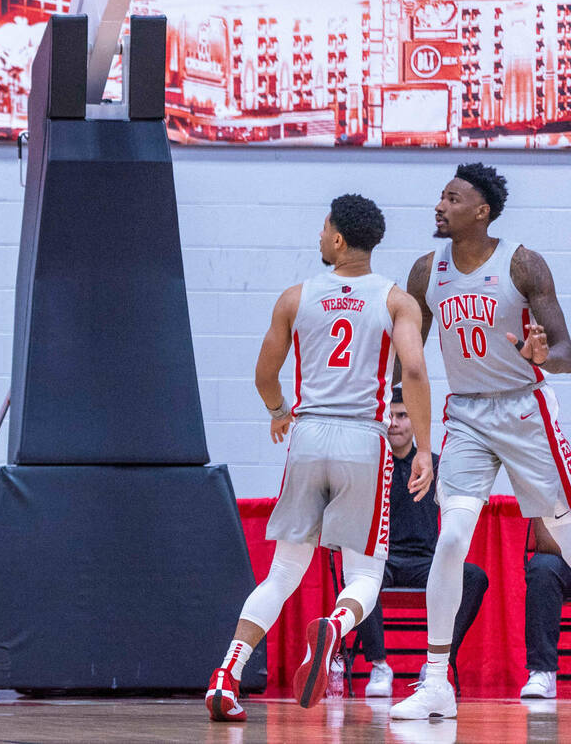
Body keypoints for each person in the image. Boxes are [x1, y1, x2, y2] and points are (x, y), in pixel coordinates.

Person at [205, 194, 433, 722]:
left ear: (336, 238)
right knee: (365, 577)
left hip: (307, 436)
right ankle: (334, 625)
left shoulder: (295, 297)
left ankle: (227, 673)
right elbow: (415, 374)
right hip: (364, 440)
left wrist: (279, 410)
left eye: (323, 226)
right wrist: (422, 446)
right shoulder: (397, 300)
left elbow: (263, 374)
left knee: (283, 573)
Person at [393, 163, 571, 720]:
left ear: (482, 211)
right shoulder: (427, 271)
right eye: (440, 196)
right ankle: (435, 679)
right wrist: (410, 434)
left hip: (524, 407)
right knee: (452, 541)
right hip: (467, 416)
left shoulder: (522, 262)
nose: (439, 206)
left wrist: (544, 357)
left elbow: (566, 349)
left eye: (452, 198)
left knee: (565, 534)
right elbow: (412, 365)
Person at [356, 388, 488, 697]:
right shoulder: (368, 467)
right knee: (359, 577)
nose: (394, 423)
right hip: (382, 559)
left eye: (402, 416)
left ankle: (437, 663)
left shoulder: (437, 466)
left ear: (415, 421)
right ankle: (379, 665)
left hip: (425, 564)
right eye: (390, 415)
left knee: (474, 577)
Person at [522, 517, 571, 698]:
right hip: (561, 558)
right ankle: (542, 670)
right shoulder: (552, 487)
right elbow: (544, 542)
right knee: (543, 567)